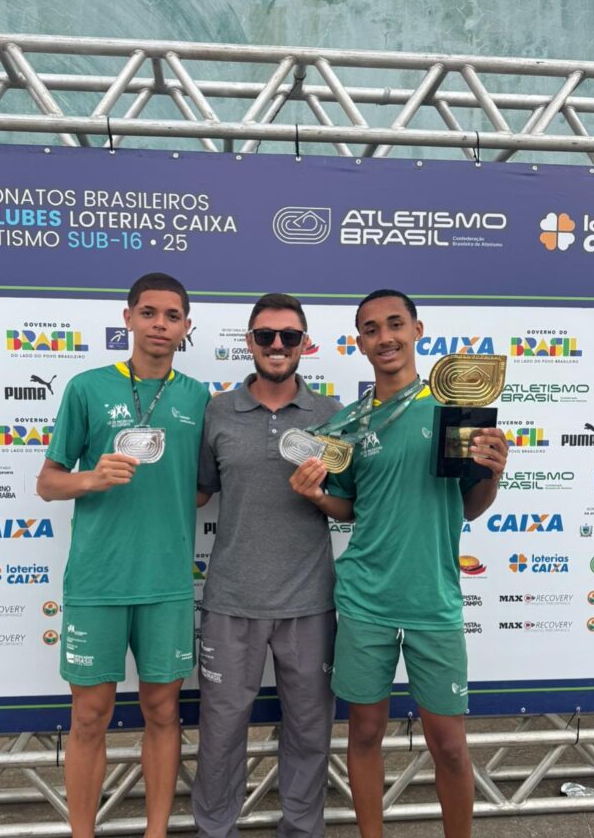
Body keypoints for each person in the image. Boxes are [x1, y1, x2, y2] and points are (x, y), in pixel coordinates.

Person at [289, 289, 508, 838]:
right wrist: (316, 495)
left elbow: (471, 506)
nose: (383, 337)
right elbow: (347, 508)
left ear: (417, 330)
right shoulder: (346, 425)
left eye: (394, 324)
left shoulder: (456, 409)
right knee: (364, 734)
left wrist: (495, 472)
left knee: (451, 746)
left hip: (434, 598)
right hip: (365, 599)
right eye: (370, 328)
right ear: (359, 342)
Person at [37, 273, 208, 838]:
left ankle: (156, 832)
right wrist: (91, 477)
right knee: (89, 719)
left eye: (173, 315)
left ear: (186, 326)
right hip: (98, 582)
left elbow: (203, 486)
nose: (161, 324)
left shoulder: (198, 397)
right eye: (151, 313)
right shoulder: (86, 387)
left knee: (163, 715)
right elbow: (48, 484)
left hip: (166, 584)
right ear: (128, 317)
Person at [193, 293, 342, 838]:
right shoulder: (217, 411)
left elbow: (348, 504)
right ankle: (215, 830)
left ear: (306, 343)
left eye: (289, 336)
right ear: (249, 342)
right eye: (265, 336)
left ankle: (302, 830)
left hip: (311, 604)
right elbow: (200, 493)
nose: (277, 346)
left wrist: (322, 496)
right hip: (231, 601)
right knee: (222, 730)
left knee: (308, 732)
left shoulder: (332, 415)